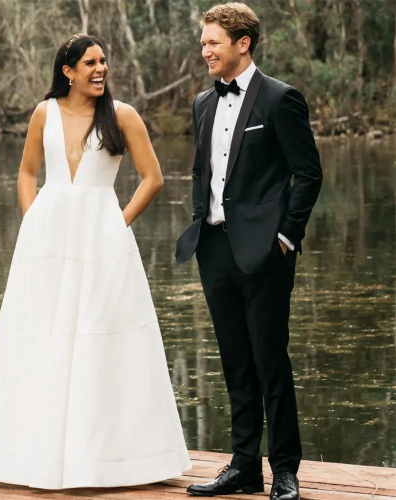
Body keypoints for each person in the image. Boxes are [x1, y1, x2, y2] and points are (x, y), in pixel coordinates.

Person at [0, 33, 191, 490]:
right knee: (41, 338)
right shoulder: (44, 113)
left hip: (103, 240)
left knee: (102, 340)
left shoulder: (123, 115)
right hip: (45, 244)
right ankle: (33, 454)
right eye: (90, 62)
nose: (100, 69)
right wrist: (33, 222)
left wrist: (118, 223)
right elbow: (27, 172)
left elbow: (153, 178)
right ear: (67, 71)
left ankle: (106, 459)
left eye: (104, 61)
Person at [176, 3, 322, 500]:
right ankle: (242, 466)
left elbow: (309, 173)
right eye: (202, 42)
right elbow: (202, 172)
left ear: (242, 43)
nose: (205, 51)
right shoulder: (201, 102)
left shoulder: (281, 99)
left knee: (269, 358)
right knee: (235, 360)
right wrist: (201, 219)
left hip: (266, 251)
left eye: (212, 42)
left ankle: (284, 469)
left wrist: (285, 236)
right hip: (214, 248)